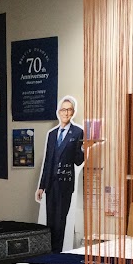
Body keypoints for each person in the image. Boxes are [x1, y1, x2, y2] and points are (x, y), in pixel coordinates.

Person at [36, 96, 84, 252]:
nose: (66, 113)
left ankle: (57, 253)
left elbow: (78, 161)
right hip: (51, 184)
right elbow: (47, 161)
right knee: (50, 222)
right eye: (63, 109)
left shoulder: (78, 132)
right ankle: (50, 252)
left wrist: (84, 149)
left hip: (65, 183)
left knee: (60, 221)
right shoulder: (52, 134)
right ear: (59, 112)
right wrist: (42, 186)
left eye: (69, 110)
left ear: (73, 112)